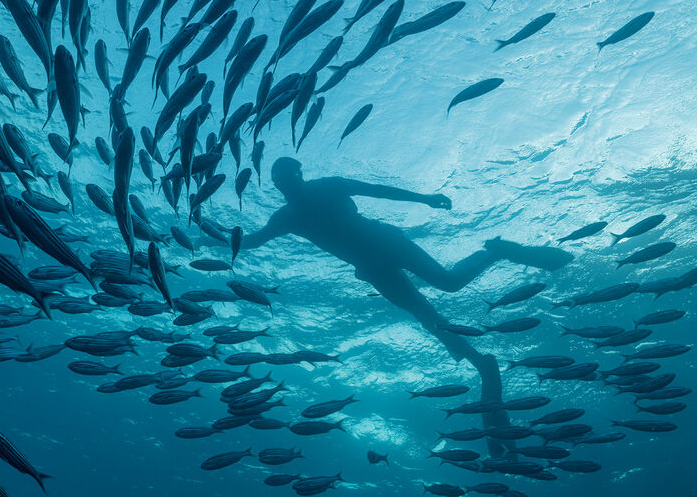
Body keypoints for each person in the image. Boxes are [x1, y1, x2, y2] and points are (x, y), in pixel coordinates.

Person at [216, 157, 573, 455]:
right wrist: (211, 232)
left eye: (288, 177)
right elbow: (249, 243)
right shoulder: (285, 217)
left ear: (299, 174)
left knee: (447, 282)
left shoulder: (328, 186)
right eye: (278, 182)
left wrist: (425, 198)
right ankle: (481, 363)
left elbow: (379, 191)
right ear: (276, 185)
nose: (285, 185)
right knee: (425, 316)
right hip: (371, 268)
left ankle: (496, 251)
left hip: (387, 242)